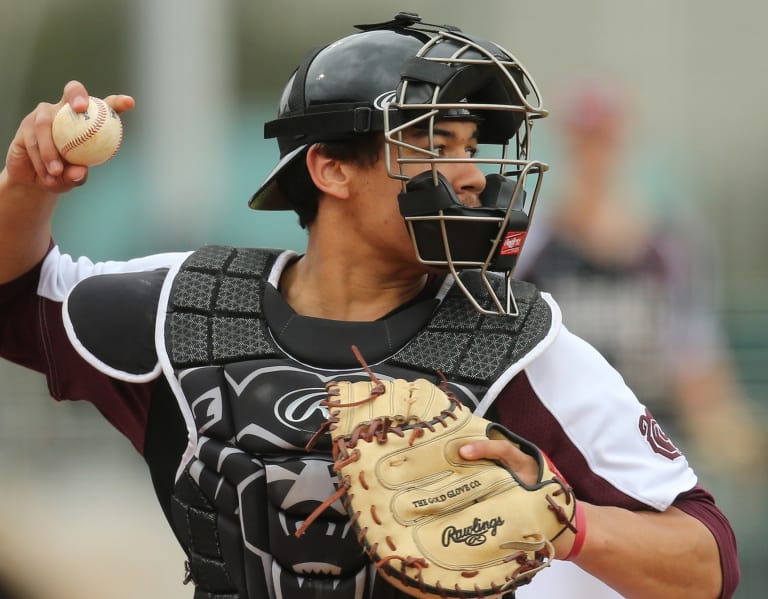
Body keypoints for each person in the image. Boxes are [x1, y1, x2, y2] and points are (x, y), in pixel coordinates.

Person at [0, 12, 739, 599]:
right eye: (436, 144)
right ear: (329, 168)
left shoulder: (514, 341)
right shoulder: (189, 309)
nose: (473, 175)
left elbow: (707, 559)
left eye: (473, 146)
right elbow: (14, 298)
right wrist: (27, 187)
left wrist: (569, 525)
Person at [515, 80, 765, 475]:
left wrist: (724, 422)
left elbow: (692, 351)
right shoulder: (534, 239)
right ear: (568, 143)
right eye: (585, 139)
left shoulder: (667, 242)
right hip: (554, 436)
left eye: (604, 138)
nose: (595, 152)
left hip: (649, 435)